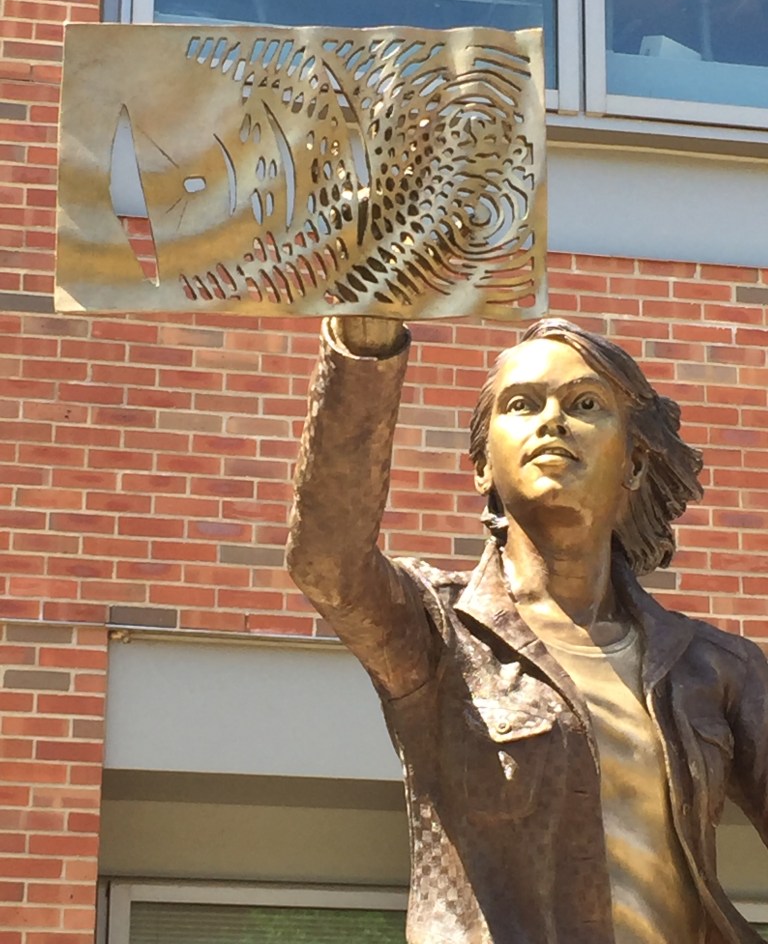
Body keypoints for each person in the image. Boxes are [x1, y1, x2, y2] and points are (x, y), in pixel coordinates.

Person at [287, 315, 768, 944]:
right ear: (484, 466)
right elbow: (328, 561)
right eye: (522, 404)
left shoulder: (716, 667)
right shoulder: (437, 630)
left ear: (635, 464)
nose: (552, 421)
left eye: (585, 404)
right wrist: (364, 345)